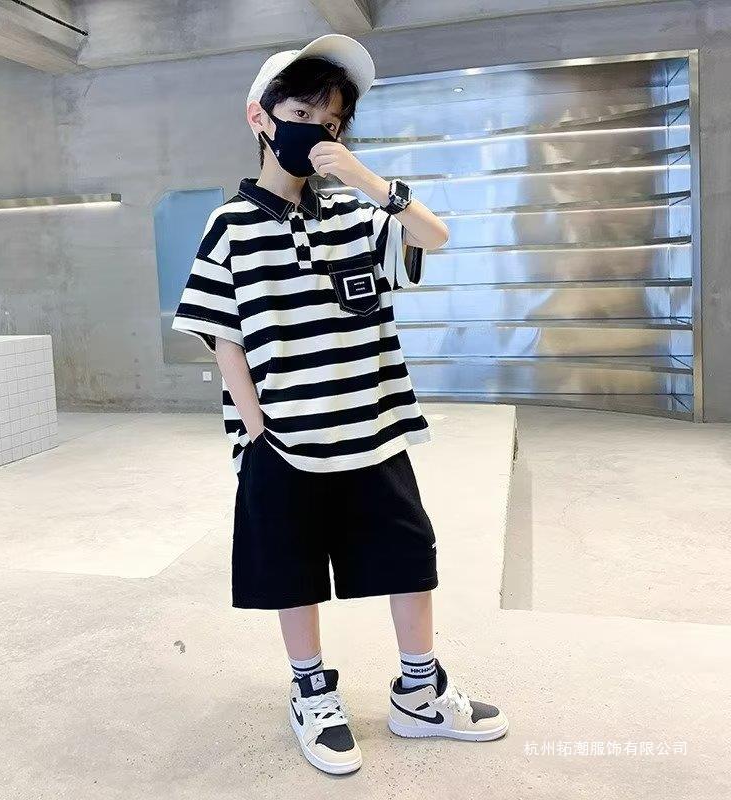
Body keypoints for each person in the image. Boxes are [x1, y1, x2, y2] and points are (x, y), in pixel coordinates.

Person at [172, 33, 508, 776]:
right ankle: (312, 693)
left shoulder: (355, 215)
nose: (317, 133)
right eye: (301, 114)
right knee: (291, 571)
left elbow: (433, 236)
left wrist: (368, 180)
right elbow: (223, 335)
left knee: (408, 559)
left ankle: (419, 694)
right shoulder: (229, 225)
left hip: (374, 430)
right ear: (260, 118)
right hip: (283, 441)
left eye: (330, 123)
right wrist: (256, 429)